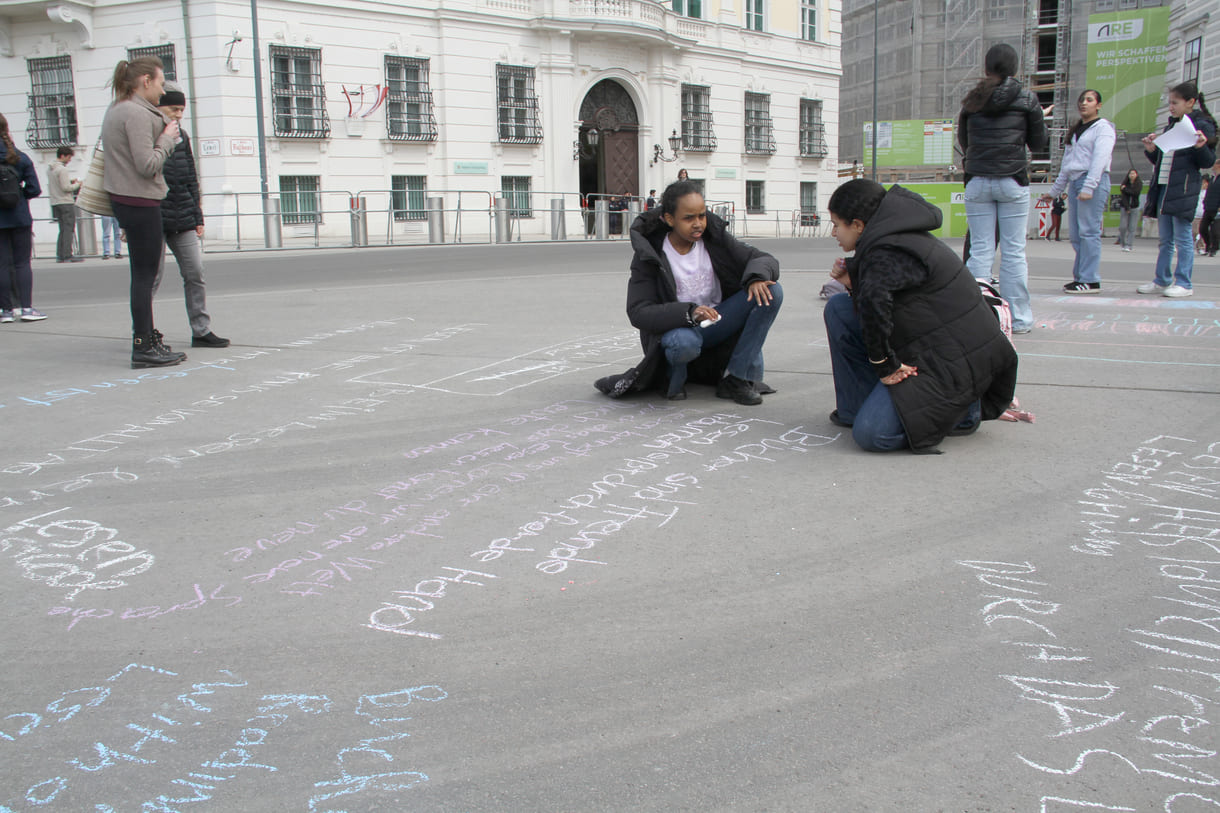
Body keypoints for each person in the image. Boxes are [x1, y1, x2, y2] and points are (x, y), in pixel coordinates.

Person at [823, 180, 1018, 454]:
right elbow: (907, 302)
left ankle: (965, 412)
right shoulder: (893, 239)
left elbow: (876, 307)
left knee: (873, 435)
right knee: (839, 308)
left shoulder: (886, 250)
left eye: (836, 224)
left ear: (857, 225)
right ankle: (854, 409)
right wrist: (853, 282)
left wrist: (886, 366)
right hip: (936, 344)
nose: (833, 232)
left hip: (952, 362)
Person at [594, 180, 782, 405]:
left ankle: (737, 378)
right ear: (669, 219)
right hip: (681, 331)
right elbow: (639, 311)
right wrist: (689, 313)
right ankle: (673, 377)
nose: (698, 224)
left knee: (771, 292)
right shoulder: (651, 254)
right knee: (684, 342)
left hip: (718, 322)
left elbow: (763, 259)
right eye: (688, 218)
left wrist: (756, 278)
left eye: (702, 216)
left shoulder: (715, 240)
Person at [101, 56, 187, 368]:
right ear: (145, 81)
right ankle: (143, 345)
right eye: (161, 84)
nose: (163, 92)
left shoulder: (117, 108)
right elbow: (146, 164)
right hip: (138, 200)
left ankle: (147, 339)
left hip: (128, 199)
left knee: (143, 274)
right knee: (144, 275)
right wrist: (167, 139)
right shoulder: (135, 113)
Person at [957, 43, 1047, 334]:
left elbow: (965, 142)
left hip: (978, 179)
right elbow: (1039, 143)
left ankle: (974, 318)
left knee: (980, 250)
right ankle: (1019, 318)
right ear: (1015, 68)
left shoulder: (972, 100)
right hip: (1012, 178)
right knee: (1013, 251)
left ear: (986, 67)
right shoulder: (1027, 98)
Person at [154, 84, 229, 348]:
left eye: (182, 110)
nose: (178, 114)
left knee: (195, 272)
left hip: (182, 213)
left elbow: (191, 178)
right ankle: (144, 332)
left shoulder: (182, 136)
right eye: (173, 108)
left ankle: (201, 330)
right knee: (152, 278)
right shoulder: (147, 133)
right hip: (153, 214)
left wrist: (198, 216)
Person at [1138, 81, 1217, 298]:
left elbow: (1207, 161)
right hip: (1164, 186)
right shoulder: (1172, 126)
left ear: (1190, 102)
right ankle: (1162, 279)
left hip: (1183, 188)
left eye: (1175, 102)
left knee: (1182, 237)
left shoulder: (1202, 125)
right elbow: (1162, 159)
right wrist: (1151, 150)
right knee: (1165, 239)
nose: (1170, 106)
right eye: (1170, 102)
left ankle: (1184, 282)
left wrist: (1200, 146)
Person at [1043, 89, 1116, 294]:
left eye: (1090, 100)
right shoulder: (1077, 131)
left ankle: (1091, 279)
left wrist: (1089, 186)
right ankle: (1080, 277)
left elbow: (1100, 159)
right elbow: (1067, 164)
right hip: (1076, 181)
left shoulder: (1103, 128)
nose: (1084, 103)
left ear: (1098, 105)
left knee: (1089, 232)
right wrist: (1055, 191)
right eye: (1082, 100)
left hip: (1092, 180)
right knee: (1076, 234)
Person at [0, 113, 45, 323]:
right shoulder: (20, 157)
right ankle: (26, 308)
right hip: (19, 216)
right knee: (22, 264)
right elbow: (35, 188)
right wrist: (19, 197)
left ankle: (6, 311)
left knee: (1, 265)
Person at [48, 145, 82, 263]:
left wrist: (69, 180)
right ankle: (67, 254)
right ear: (62, 156)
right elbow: (66, 188)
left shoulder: (50, 168)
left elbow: (58, 184)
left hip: (55, 202)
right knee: (68, 229)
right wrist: (78, 184)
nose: (69, 160)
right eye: (68, 157)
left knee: (62, 229)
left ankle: (60, 254)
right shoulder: (62, 169)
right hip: (65, 202)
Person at [1118, 169, 1142, 251]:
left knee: (1132, 227)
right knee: (1122, 227)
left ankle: (1129, 245)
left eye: (1133, 173)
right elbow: (1123, 196)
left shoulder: (1139, 183)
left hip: (1134, 207)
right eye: (1130, 173)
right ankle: (1123, 244)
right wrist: (1127, 207)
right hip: (1125, 207)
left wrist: (1125, 190)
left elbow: (1135, 193)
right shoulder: (1125, 183)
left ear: (1136, 175)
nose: (1132, 175)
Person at [1200, 161, 1220, 257]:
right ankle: (1208, 246)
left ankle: (1214, 248)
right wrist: (1205, 202)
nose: (1213, 166)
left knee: (1215, 231)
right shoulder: (1213, 178)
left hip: (1217, 209)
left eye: (1215, 164)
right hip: (1208, 207)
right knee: (1203, 228)